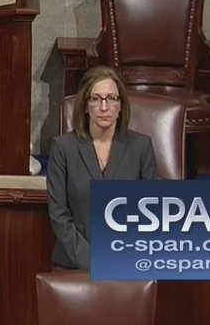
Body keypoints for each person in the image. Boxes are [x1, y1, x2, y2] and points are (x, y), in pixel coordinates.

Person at [47, 65, 157, 270]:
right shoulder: (63, 148)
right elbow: (59, 215)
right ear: (85, 105)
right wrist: (94, 261)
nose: (104, 107)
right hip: (74, 262)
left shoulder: (141, 147)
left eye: (111, 98)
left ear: (121, 105)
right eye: (96, 99)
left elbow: (150, 212)